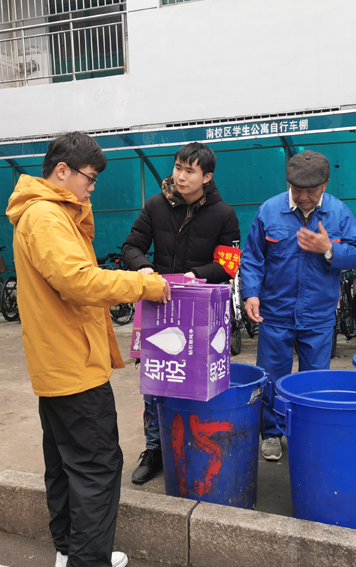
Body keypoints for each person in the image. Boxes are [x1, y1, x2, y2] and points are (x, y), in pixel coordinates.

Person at [6, 132, 171, 567]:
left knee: (66, 464)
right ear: (62, 171)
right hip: (73, 366)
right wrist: (144, 285)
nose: (92, 188)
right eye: (90, 178)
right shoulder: (46, 216)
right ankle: (87, 559)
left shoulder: (48, 212)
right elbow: (78, 280)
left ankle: (70, 551)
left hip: (59, 362)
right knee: (97, 466)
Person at [122, 142, 240, 484]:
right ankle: (155, 450)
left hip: (201, 311)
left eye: (190, 171)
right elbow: (131, 246)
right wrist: (142, 267)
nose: (181, 177)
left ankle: (193, 445)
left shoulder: (224, 214)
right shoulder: (156, 205)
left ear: (207, 177)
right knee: (156, 380)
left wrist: (195, 275)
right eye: (178, 168)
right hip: (158, 307)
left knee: (196, 380)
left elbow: (228, 265)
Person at [240, 150, 356, 461]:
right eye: (297, 190)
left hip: (318, 314)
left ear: (325, 184)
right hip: (274, 312)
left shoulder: (339, 213)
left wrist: (329, 248)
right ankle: (271, 432)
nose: (304, 198)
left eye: (311, 191)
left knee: (315, 379)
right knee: (271, 376)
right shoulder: (270, 211)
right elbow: (253, 257)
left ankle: (308, 432)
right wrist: (251, 293)